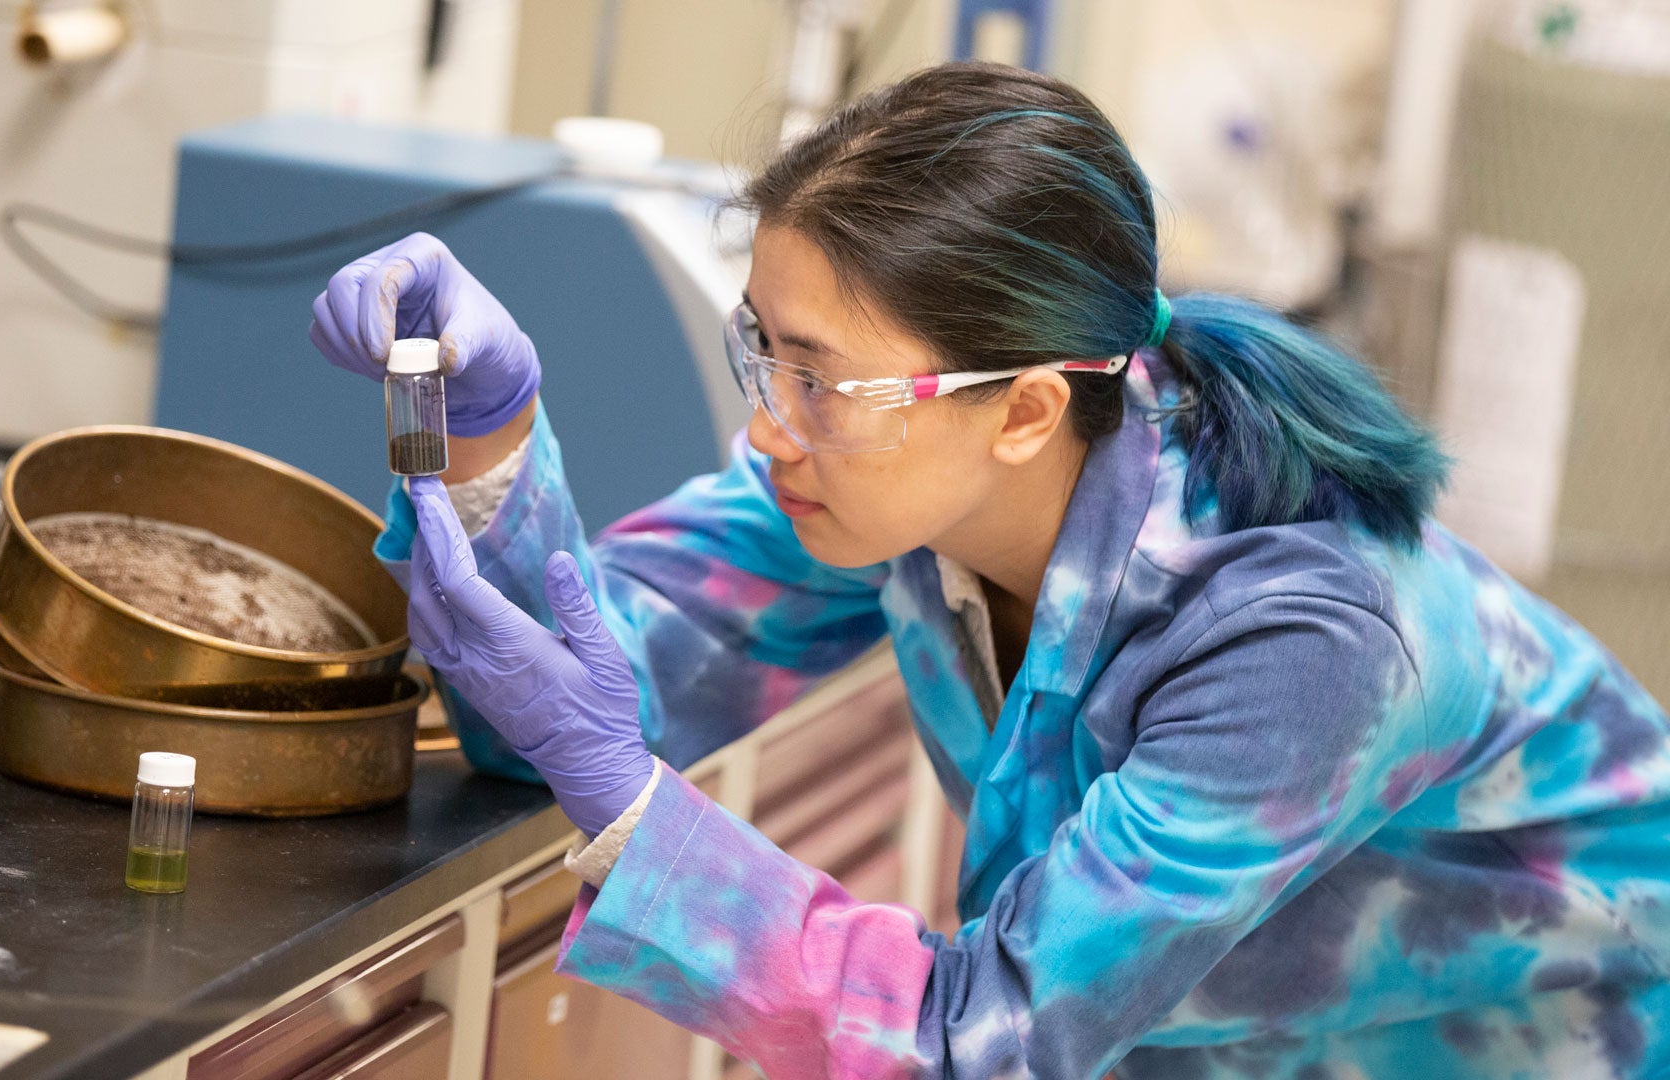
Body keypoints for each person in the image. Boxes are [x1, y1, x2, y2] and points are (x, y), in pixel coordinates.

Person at [310, 63, 1670, 1079]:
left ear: (1022, 409)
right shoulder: (896, 471)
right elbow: (561, 703)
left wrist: (625, 800)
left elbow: (977, 1043)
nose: (765, 427)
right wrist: (483, 436)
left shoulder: (1314, 638)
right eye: (762, 350)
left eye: (820, 378)